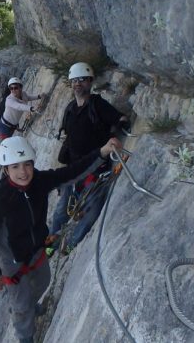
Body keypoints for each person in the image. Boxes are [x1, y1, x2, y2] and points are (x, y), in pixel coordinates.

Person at [0, 136, 122, 343]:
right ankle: (25, 338)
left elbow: (71, 172)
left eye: (27, 164)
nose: (23, 172)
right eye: (15, 166)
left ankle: (31, 305)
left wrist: (102, 152)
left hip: (37, 249)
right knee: (20, 307)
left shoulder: (39, 181)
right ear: (6, 170)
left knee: (43, 281)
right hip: (12, 259)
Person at [47, 62, 129, 256]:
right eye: (74, 81)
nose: (78, 84)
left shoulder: (97, 104)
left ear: (90, 82)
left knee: (92, 210)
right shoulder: (69, 109)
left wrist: (117, 131)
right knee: (61, 212)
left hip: (97, 167)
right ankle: (51, 243)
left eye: (82, 80)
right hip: (75, 169)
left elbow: (120, 119)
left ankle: (70, 243)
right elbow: (68, 139)